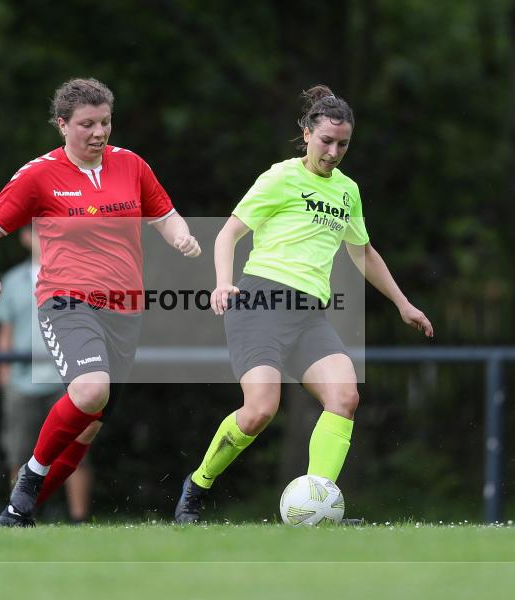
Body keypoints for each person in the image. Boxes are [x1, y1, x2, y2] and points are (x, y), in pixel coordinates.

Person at [174, 85, 434, 523]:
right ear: (307, 134)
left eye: (343, 144)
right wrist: (222, 283)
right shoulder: (280, 177)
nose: (333, 152)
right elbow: (228, 233)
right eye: (326, 141)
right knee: (259, 410)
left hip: (309, 316)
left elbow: (363, 252)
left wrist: (403, 303)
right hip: (259, 304)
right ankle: (196, 486)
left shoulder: (348, 191)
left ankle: (316, 505)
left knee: (345, 396)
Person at [0, 77, 201, 527]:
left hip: (125, 309)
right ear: (62, 125)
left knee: (89, 424)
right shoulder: (39, 173)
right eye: (87, 124)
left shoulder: (131, 165)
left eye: (105, 122)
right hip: (67, 301)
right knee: (91, 390)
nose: (99, 132)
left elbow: (165, 215)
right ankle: (29, 478)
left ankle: (17, 514)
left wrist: (182, 238)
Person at [0, 227, 93, 522]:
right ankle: (19, 513)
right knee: (19, 452)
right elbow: (6, 332)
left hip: (68, 378)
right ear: (25, 238)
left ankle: (78, 519)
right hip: (22, 380)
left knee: (76, 449)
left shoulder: (77, 276)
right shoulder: (13, 281)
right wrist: (4, 372)